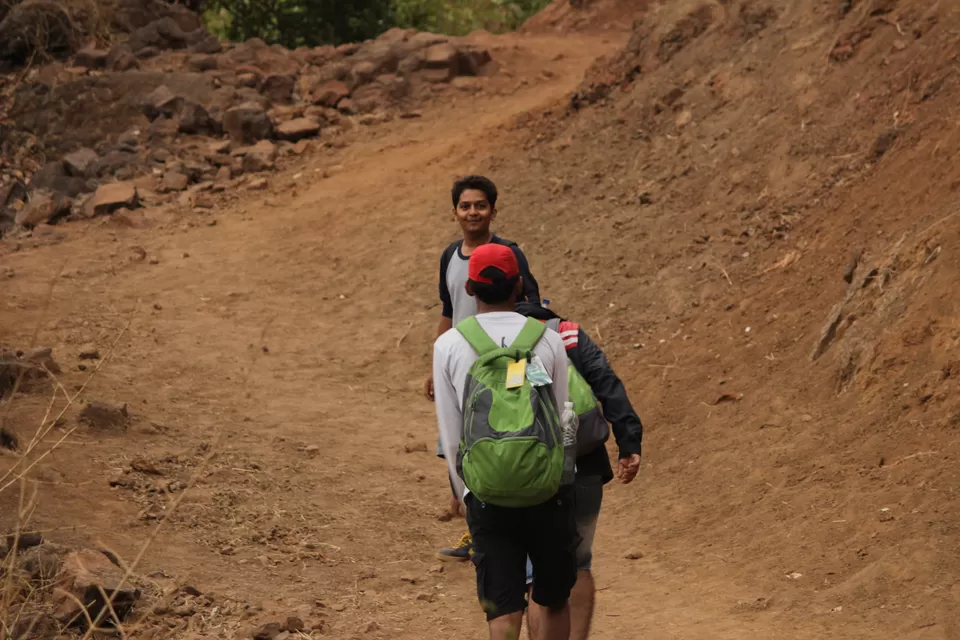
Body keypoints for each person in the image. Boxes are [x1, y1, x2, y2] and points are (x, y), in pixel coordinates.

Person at [433, 244, 576, 640]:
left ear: (472, 289)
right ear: (518, 285)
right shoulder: (547, 340)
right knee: (552, 597)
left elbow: (451, 427)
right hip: (547, 491)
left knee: (502, 604)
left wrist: (465, 492)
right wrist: (562, 479)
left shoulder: (448, 345)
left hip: (486, 492)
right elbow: (565, 415)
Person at [426, 175, 542, 560]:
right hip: (459, 365)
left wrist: (518, 367)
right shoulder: (449, 257)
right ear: (454, 211)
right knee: (458, 444)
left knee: (504, 443)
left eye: (480, 205)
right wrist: (435, 364)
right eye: (465, 206)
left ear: (494, 209)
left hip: (502, 367)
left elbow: (531, 306)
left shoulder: (508, 253)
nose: (472, 212)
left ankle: (504, 536)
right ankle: (477, 532)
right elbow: (448, 310)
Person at [514, 301, 643, 640]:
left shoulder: (502, 337)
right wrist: (629, 442)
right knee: (580, 563)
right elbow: (607, 383)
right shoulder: (566, 332)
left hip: (527, 467)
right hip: (583, 463)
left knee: (535, 571)